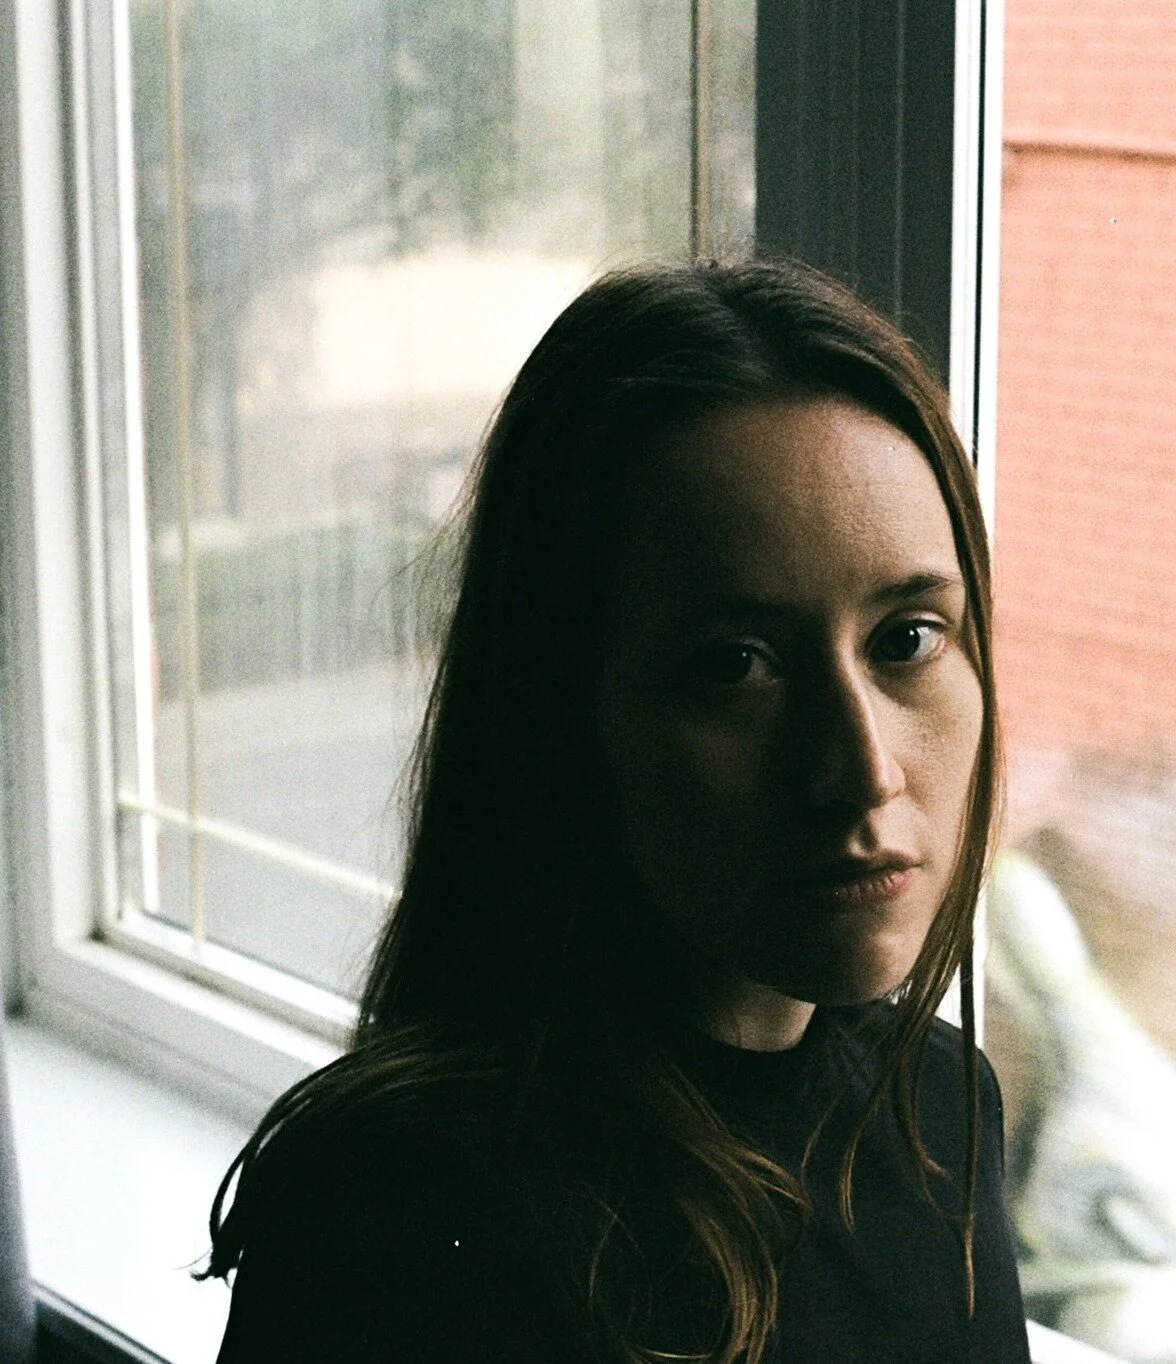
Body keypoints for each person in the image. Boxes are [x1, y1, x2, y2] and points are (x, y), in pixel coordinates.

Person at [202, 259, 1029, 1363]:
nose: (860, 769)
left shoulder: (940, 1113)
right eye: (734, 665)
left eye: (906, 639)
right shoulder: (398, 1212)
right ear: (561, 711)